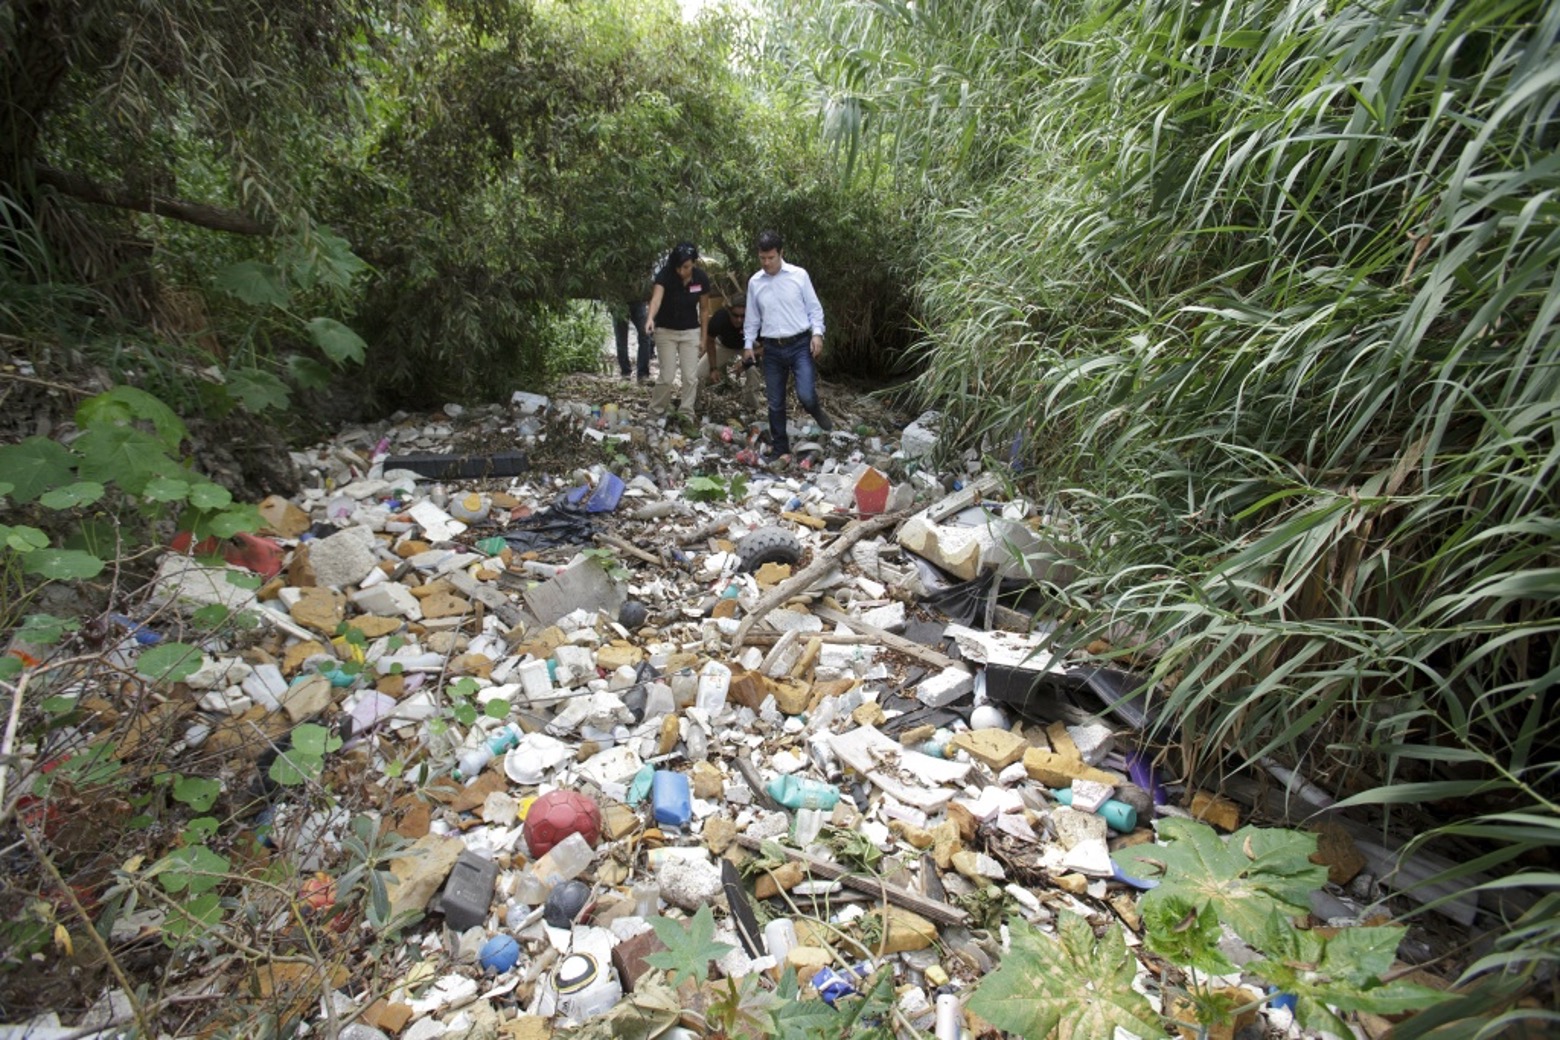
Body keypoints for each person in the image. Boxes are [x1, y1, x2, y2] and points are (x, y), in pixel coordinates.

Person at [742, 230, 833, 460]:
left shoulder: (799, 275)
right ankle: (781, 448)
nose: (766, 262)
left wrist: (817, 334)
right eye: (762, 258)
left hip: (799, 343)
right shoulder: (755, 282)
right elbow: (752, 317)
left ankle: (815, 410)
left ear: (781, 253)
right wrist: (748, 345)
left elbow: (814, 308)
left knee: (805, 394)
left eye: (771, 257)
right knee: (775, 401)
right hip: (772, 347)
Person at [644, 242, 710, 419]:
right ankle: (656, 410)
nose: (682, 271)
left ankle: (686, 413)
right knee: (667, 375)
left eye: (687, 267)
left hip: (690, 332)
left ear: (694, 263)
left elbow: (704, 310)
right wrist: (650, 318)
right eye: (679, 267)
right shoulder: (665, 275)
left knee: (690, 377)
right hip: (666, 331)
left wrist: (703, 338)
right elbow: (656, 300)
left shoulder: (701, 278)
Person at [695, 292, 762, 412]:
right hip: (723, 345)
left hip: (747, 347)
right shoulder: (720, 317)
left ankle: (752, 406)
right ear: (728, 311)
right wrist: (713, 368)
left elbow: (767, 346)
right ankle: (694, 405)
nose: (739, 320)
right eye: (735, 315)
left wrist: (745, 362)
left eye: (743, 316)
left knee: (753, 373)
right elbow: (710, 341)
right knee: (698, 373)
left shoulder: (756, 319)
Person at [612, 299, 653, 382]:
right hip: (619, 301)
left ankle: (642, 373)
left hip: (637, 301)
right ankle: (625, 372)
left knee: (645, 335)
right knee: (621, 339)